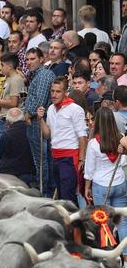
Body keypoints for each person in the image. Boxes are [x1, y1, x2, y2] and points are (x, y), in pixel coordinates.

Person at [38, 76, 87, 204]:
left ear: (65, 92)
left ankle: (73, 222)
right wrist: (40, 119)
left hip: (70, 157)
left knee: (67, 196)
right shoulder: (51, 108)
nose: (54, 95)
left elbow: (82, 136)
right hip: (55, 156)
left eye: (58, 91)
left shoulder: (75, 109)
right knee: (61, 195)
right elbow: (47, 135)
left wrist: (81, 160)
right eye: (52, 91)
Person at [85, 107, 127, 248]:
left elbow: (89, 169)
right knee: (122, 222)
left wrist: (86, 187)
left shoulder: (93, 144)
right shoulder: (121, 137)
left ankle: (110, 254)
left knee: (103, 221)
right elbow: (123, 162)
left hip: (100, 186)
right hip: (120, 182)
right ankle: (126, 259)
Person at [23, 47, 56, 194]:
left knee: (41, 159)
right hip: (38, 121)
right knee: (44, 158)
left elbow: (40, 101)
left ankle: (44, 191)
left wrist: (28, 115)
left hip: (38, 121)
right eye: (27, 59)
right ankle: (46, 189)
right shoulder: (38, 75)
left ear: (41, 59)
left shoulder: (43, 75)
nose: (29, 62)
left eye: (32, 59)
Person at [0, 107, 34, 184]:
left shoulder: (7, 134)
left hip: (10, 171)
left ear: (8, 122)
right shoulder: (31, 130)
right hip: (28, 170)